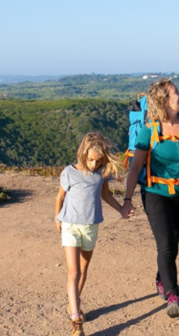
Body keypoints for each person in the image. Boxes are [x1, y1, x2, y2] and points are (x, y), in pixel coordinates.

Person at [120, 78, 179, 318]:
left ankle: (161, 277)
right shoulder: (149, 130)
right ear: (163, 101)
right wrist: (127, 200)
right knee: (166, 243)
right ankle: (172, 295)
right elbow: (135, 167)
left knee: (173, 242)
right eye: (176, 92)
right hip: (155, 193)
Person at [55, 132, 127, 336]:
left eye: (98, 160)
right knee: (74, 272)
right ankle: (76, 320)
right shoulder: (69, 172)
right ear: (82, 154)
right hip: (70, 225)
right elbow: (60, 196)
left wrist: (121, 209)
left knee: (84, 270)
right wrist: (57, 218)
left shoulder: (103, 173)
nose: (94, 164)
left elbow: (105, 195)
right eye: (90, 160)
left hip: (91, 226)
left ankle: (73, 303)